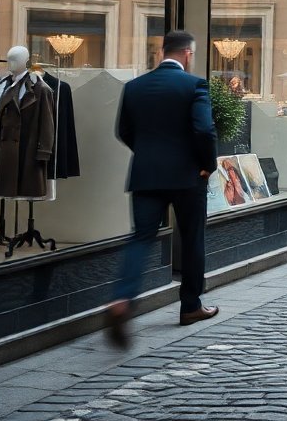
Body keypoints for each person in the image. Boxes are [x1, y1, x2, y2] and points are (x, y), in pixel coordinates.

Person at [105, 30, 220, 348]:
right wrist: (207, 165)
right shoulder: (195, 85)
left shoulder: (134, 87)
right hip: (187, 176)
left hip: (146, 175)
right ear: (188, 54)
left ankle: (122, 299)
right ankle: (191, 306)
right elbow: (204, 129)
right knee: (192, 238)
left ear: (162, 52)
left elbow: (123, 130)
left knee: (141, 238)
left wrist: (147, 154)